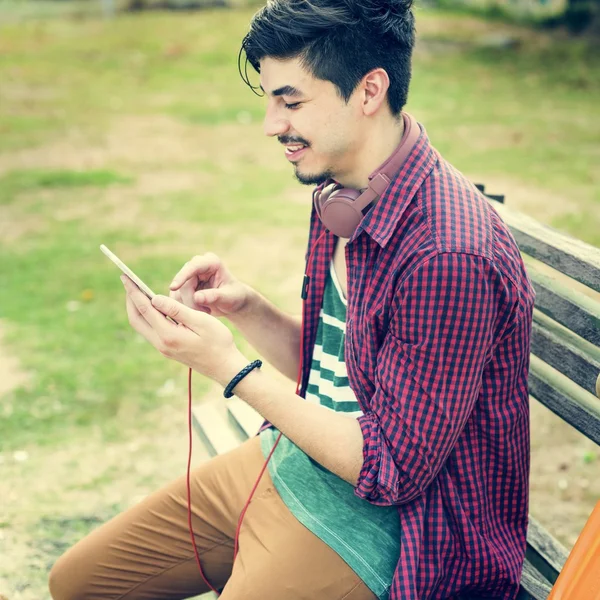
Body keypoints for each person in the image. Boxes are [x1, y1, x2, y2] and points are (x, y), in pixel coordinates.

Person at [48, 0, 536, 599]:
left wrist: (229, 367)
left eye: (291, 100)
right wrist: (248, 310)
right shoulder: (342, 197)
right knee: (78, 584)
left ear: (369, 90)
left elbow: (391, 472)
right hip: (297, 464)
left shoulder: (448, 254)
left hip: (402, 532)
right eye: (270, 100)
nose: (271, 124)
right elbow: (339, 366)